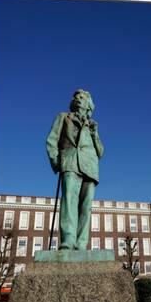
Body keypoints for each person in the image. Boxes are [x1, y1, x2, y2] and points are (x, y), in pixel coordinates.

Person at [46, 89, 104, 250]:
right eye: (76, 97)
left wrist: (95, 133)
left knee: (86, 206)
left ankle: (82, 242)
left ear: (89, 105)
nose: (78, 99)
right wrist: (56, 160)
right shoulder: (64, 117)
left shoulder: (92, 125)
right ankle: (69, 239)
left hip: (90, 166)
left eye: (82, 97)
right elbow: (52, 140)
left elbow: (100, 152)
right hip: (70, 161)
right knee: (69, 200)